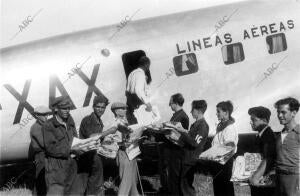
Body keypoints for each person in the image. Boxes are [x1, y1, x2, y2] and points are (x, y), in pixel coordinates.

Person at [169, 100, 209, 196]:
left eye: (192, 109)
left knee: (187, 187)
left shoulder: (202, 125)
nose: (191, 112)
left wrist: (182, 131)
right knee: (183, 184)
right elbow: (189, 140)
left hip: (191, 159)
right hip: (187, 157)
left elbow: (194, 142)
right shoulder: (196, 124)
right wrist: (177, 139)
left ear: (198, 110)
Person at [42, 96, 81, 195]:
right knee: (56, 192)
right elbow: (50, 148)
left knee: (69, 192)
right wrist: (71, 149)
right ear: (56, 109)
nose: (67, 110)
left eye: (68, 108)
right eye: (64, 108)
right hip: (56, 167)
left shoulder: (70, 122)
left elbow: (75, 139)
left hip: (71, 163)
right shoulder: (48, 125)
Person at [78, 95, 110, 195]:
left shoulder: (99, 121)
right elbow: (92, 136)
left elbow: (99, 138)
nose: (100, 109)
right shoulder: (88, 120)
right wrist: (109, 132)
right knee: (91, 186)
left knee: (95, 185)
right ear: (93, 107)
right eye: (98, 107)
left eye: (103, 107)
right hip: (88, 157)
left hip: (95, 157)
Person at [159, 93, 189, 194]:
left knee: (174, 176)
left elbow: (182, 136)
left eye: (170, 103)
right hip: (170, 149)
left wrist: (167, 132)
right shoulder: (176, 115)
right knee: (170, 175)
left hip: (175, 151)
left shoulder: (183, 117)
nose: (169, 105)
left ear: (176, 103)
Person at [111, 102, 140, 196]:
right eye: (123, 108)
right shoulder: (115, 123)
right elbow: (112, 141)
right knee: (125, 181)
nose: (125, 110)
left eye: (125, 108)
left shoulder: (126, 121)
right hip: (123, 153)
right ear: (116, 111)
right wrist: (123, 143)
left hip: (132, 152)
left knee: (133, 181)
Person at [211, 100, 238, 196]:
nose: (216, 113)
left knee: (225, 189)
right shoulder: (221, 126)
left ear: (226, 112)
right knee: (218, 188)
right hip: (218, 161)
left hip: (225, 162)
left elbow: (229, 149)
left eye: (218, 111)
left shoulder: (229, 128)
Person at [274, 97, 300, 196]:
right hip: (279, 178)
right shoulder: (279, 135)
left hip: (295, 179)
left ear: (293, 113)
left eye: (283, 112)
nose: (279, 115)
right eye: (278, 112)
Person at [248, 106, 276, 195]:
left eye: (254, 120)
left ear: (264, 120)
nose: (251, 122)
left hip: (263, 178)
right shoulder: (261, 134)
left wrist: (256, 177)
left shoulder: (268, 135)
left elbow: (268, 158)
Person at [29, 106, 52, 196]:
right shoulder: (36, 128)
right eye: (44, 115)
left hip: (45, 154)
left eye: (47, 114)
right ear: (37, 115)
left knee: (43, 178)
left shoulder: (44, 125)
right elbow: (44, 143)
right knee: (41, 178)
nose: (46, 116)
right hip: (41, 155)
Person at [126, 56, 152, 124]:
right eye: (148, 66)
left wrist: (144, 81)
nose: (148, 68)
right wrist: (147, 103)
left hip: (130, 102)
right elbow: (138, 90)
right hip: (137, 103)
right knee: (142, 123)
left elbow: (129, 88)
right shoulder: (140, 74)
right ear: (146, 65)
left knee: (134, 123)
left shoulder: (132, 73)